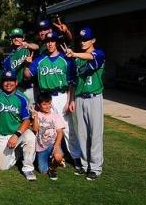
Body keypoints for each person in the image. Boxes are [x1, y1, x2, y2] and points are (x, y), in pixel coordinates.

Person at [24, 31, 82, 170]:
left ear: (56, 42)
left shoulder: (66, 59)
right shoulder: (40, 59)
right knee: (44, 128)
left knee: (68, 129)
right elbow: (27, 75)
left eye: (52, 41)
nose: (50, 43)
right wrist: (27, 65)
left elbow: (72, 83)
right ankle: (44, 155)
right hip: (44, 97)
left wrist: (70, 100)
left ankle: (76, 157)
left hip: (61, 96)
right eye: (47, 41)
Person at [62, 27, 105, 181]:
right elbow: (73, 82)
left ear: (93, 40)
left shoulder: (99, 53)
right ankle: (85, 164)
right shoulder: (76, 59)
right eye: (81, 39)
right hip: (79, 98)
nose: (83, 42)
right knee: (82, 134)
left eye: (86, 39)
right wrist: (72, 99)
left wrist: (73, 54)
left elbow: (92, 57)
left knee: (95, 134)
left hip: (94, 98)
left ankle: (95, 168)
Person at [0, 70, 37, 181]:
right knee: (2, 167)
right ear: (2, 82)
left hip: (18, 132)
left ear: (16, 82)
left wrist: (16, 135)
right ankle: (17, 152)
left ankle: (28, 168)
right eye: (6, 81)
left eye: (11, 81)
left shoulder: (22, 98)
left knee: (30, 137)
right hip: (2, 135)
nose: (8, 83)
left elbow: (27, 120)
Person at [31, 92, 65, 180]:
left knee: (58, 157)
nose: (47, 106)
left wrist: (57, 146)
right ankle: (48, 160)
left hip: (53, 144)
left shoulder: (55, 116)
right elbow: (35, 129)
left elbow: (60, 132)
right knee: (42, 170)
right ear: (38, 105)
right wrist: (35, 117)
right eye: (44, 104)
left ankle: (53, 168)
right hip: (41, 147)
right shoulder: (37, 114)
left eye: (49, 103)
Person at [3, 28, 38, 104]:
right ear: (11, 39)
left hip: (30, 88)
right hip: (16, 89)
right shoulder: (8, 53)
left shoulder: (28, 48)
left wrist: (27, 44)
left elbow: (37, 46)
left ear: (23, 38)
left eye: (18, 36)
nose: (16, 39)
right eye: (14, 37)